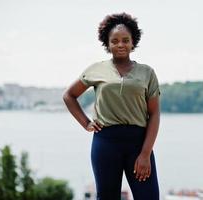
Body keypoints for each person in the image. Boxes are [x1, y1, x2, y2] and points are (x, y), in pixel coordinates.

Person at [63, 13, 160, 200]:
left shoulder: (147, 72)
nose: (120, 44)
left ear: (133, 42)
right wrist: (86, 123)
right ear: (107, 44)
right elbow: (69, 95)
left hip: (138, 143)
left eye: (125, 40)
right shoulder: (96, 69)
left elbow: (154, 114)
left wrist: (146, 153)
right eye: (114, 41)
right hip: (106, 142)